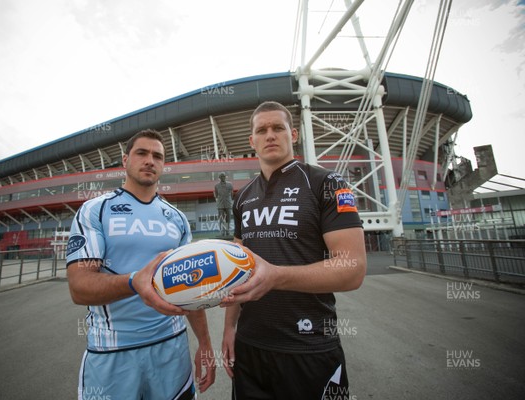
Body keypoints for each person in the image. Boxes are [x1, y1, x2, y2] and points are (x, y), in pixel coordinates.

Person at [220, 101, 366, 399]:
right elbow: (237, 269)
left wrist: (276, 276)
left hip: (310, 346)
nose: (270, 135)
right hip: (251, 347)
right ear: (252, 141)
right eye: (261, 130)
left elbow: (353, 268)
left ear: (294, 134)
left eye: (278, 128)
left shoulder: (327, 183)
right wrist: (229, 328)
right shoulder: (242, 197)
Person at [66, 129, 215, 400]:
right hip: (113, 353)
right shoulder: (95, 210)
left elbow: (191, 289)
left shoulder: (177, 218)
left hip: (172, 350)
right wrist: (134, 281)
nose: (150, 160)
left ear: (163, 165)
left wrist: (204, 343)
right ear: (125, 160)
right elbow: (79, 287)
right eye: (142, 153)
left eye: (157, 156)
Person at [213, 172, 234, 237]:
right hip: (220, 205)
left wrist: (229, 201)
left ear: (225, 177)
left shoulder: (230, 185)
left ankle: (227, 231)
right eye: (221, 176)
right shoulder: (216, 186)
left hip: (228, 204)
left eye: (224, 176)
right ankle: (222, 232)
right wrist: (218, 201)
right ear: (219, 178)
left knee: (228, 219)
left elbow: (232, 194)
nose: (223, 177)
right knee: (221, 219)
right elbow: (216, 195)